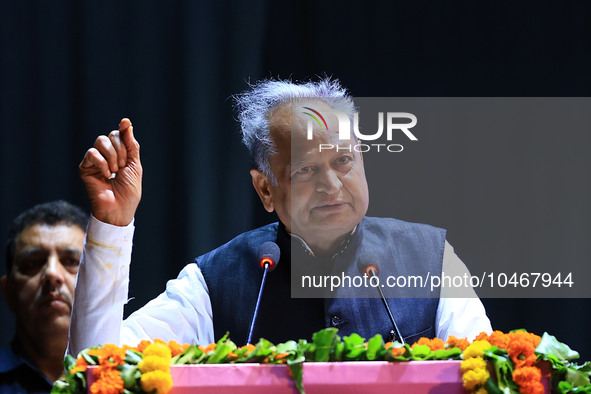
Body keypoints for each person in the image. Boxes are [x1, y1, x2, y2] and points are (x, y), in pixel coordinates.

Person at [69, 78, 491, 356]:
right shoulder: (215, 281)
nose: (332, 184)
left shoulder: (431, 258)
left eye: (344, 160)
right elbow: (95, 366)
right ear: (265, 189)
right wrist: (112, 226)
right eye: (306, 169)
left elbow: (489, 373)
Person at [0, 200, 87, 393]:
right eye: (34, 263)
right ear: (8, 290)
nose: (52, 273)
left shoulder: (131, 378)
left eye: (72, 261)